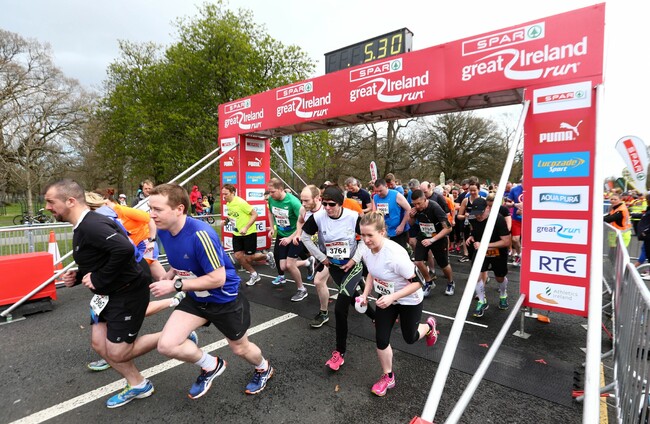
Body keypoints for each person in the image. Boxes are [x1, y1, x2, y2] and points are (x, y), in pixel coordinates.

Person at [148, 183, 274, 398]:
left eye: (157, 209)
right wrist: (170, 273)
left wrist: (175, 285)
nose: (152, 214)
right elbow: (183, 259)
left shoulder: (200, 234)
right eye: (151, 208)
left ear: (179, 209)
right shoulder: (164, 230)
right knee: (167, 345)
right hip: (196, 297)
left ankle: (264, 368)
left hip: (224, 299)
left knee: (240, 348)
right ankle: (211, 365)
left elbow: (217, 279)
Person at [45, 179, 159, 408]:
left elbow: (123, 250)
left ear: (70, 201)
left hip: (127, 291)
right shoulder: (84, 224)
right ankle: (138, 384)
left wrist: (98, 279)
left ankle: (176, 336)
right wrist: (79, 275)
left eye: (51, 202)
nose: (47, 207)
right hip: (107, 294)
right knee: (99, 344)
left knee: (117, 352)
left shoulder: (92, 225)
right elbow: (101, 256)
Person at [357, 211, 438, 396]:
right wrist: (365, 294)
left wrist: (393, 297)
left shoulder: (395, 255)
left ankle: (429, 327)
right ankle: (388, 376)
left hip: (409, 299)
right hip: (387, 299)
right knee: (381, 338)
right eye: (363, 235)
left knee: (410, 338)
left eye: (370, 235)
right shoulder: (365, 250)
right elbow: (371, 273)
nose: (366, 240)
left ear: (382, 232)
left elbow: (419, 283)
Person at [300, 186, 375, 370]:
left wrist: (354, 259)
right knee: (353, 297)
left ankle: (339, 353)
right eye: (324, 203)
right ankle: (376, 318)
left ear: (340, 203)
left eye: (331, 204)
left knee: (340, 309)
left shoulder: (353, 217)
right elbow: (305, 237)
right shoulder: (318, 217)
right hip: (334, 266)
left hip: (353, 266)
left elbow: (364, 239)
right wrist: (321, 257)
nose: (327, 208)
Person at [221, 184, 276, 286]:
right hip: (236, 233)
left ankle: (267, 256)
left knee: (249, 258)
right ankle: (254, 274)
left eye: (226, 194)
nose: (224, 196)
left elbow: (255, 214)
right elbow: (232, 215)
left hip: (249, 233)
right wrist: (226, 221)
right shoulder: (228, 203)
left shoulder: (240, 202)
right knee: (238, 256)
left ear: (233, 193)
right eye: (223, 194)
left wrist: (246, 227)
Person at [466, 197, 512, 317]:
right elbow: (474, 229)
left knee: (499, 277)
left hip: (498, 251)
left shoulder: (498, 219)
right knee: (475, 276)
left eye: (480, 213)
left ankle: (503, 295)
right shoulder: (472, 217)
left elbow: (506, 241)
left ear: (487, 208)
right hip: (481, 250)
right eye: (476, 214)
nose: (478, 216)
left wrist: (484, 245)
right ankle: (482, 301)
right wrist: (471, 236)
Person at [267, 178, 310, 301]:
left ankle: (302, 289)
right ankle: (307, 262)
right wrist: (272, 228)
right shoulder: (271, 199)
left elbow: (303, 222)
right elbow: (270, 212)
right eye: (269, 192)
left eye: (273, 192)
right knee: (283, 267)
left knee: (290, 265)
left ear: (281, 189)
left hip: (296, 235)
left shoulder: (293, 202)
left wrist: (291, 238)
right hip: (282, 235)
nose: (270, 194)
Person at [409, 189, 456, 297]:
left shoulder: (435, 207)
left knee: (443, 264)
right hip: (423, 235)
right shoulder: (415, 208)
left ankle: (450, 282)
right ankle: (429, 282)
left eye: (419, 203)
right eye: (414, 204)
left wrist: (432, 240)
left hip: (438, 237)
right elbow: (411, 224)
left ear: (425, 199)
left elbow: (448, 228)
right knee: (418, 262)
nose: (417, 206)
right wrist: (411, 216)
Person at [372, 178, 411, 250]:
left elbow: (408, 209)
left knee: (399, 252)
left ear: (386, 187)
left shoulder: (396, 195)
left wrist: (402, 225)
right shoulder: (375, 197)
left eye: (380, 191)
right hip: (385, 230)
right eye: (376, 191)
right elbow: (375, 213)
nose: (379, 193)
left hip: (398, 230)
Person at [505, 177, 524, 265]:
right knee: (515, 239)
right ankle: (520, 255)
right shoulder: (515, 189)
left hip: (529, 220)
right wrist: (515, 205)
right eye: (522, 180)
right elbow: (507, 203)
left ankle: (523, 257)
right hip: (517, 219)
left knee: (526, 241)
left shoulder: (534, 188)